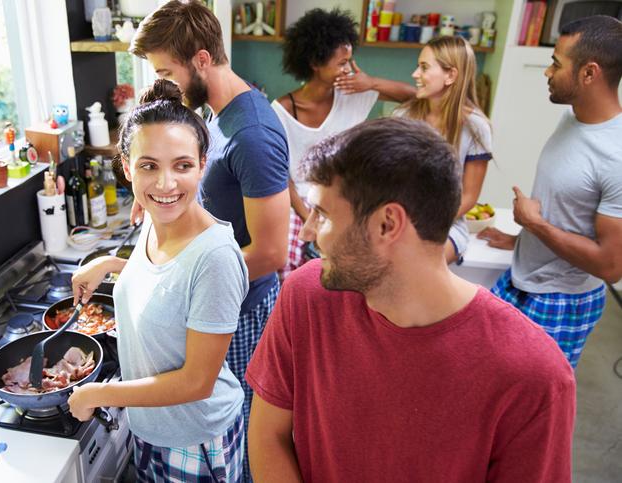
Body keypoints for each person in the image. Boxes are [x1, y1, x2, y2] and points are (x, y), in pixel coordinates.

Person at [246, 117, 575, 482]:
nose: (308, 232)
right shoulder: (308, 295)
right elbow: (268, 435)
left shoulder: (534, 375)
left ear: (388, 224)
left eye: (322, 215)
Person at [129, 1, 290, 477]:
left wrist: (176, 283)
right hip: (214, 303)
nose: (164, 83)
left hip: (239, 312)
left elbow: (270, 252)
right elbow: (219, 210)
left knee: (226, 441)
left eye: (166, 71)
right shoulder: (217, 114)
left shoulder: (252, 133)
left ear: (201, 60)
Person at [68, 79, 248, 482]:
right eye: (149, 165)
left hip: (195, 441)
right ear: (127, 167)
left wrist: (99, 395)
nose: (166, 184)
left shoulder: (215, 257)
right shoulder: (156, 213)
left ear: (203, 164)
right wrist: (112, 264)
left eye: (182, 165)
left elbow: (197, 382)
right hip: (151, 427)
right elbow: (165, 275)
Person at [479, 15, 622, 369]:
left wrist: (536, 224)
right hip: (524, 278)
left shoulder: (616, 156)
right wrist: (520, 237)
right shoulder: (572, 119)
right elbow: (568, 211)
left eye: (556, 64)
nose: (547, 72)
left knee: (531, 408)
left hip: (561, 299)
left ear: (589, 73)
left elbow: (610, 265)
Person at [272, 8, 415, 279]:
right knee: (289, 266)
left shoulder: (353, 94)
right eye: (341, 62)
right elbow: (283, 177)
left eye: (350, 60)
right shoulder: (281, 111)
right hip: (297, 203)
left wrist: (371, 82)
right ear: (315, 62)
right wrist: (310, 219)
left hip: (345, 198)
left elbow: (416, 97)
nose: (348, 68)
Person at [343, 35, 492, 264]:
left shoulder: (476, 127)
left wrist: (421, 223)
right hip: (397, 221)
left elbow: (470, 196)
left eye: (423, 67)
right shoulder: (403, 117)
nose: (415, 74)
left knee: (416, 268)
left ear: (451, 75)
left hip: (445, 225)